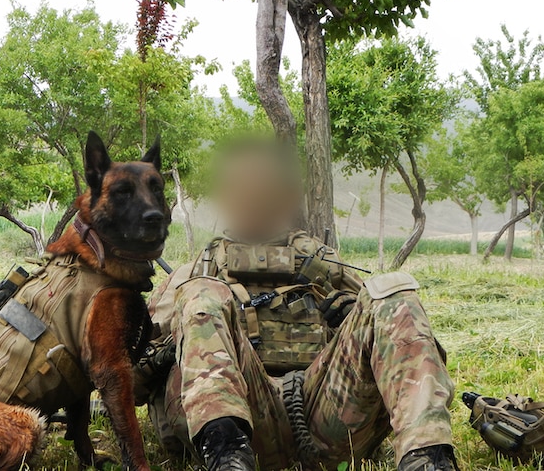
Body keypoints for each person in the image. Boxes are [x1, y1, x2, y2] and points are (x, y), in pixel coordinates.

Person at [135, 139, 459, 471]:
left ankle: (428, 456)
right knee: (201, 293)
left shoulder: (323, 265)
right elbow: (132, 385)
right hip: (245, 424)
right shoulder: (193, 277)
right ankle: (225, 452)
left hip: (326, 420)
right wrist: (179, 344)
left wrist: (348, 317)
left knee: (392, 292)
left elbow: (417, 352)